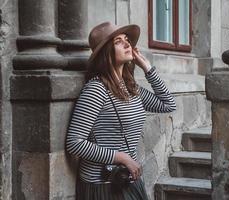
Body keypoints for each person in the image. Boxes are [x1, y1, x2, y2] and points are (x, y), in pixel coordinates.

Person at [65, 21, 176, 200]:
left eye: (127, 40)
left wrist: (147, 67)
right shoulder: (96, 89)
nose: (127, 44)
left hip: (128, 179)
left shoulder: (131, 88)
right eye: (118, 41)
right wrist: (122, 158)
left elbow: (168, 104)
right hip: (103, 184)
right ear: (106, 52)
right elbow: (75, 143)